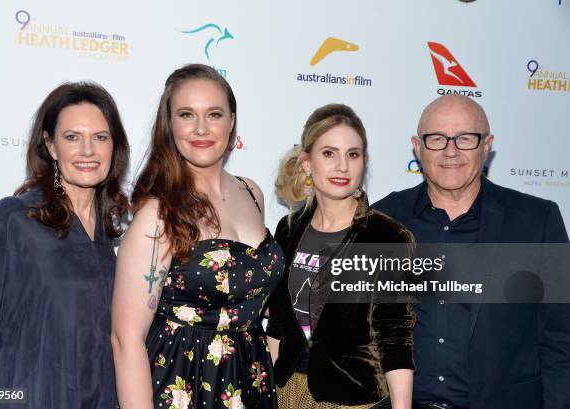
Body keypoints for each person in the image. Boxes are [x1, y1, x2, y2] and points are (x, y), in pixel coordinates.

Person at [372, 94, 570, 409]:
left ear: (486, 145)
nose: (451, 151)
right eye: (437, 139)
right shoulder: (382, 219)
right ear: (418, 146)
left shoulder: (537, 221)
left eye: (465, 138)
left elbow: (562, 337)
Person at [111, 64, 283, 408]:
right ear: (170, 124)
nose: (201, 128)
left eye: (214, 114)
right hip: (181, 382)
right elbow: (125, 339)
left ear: (232, 121)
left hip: (249, 379)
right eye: (187, 114)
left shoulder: (252, 193)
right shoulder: (158, 215)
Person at [0, 82, 130, 408]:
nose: (88, 150)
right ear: (51, 146)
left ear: (114, 146)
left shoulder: (111, 235)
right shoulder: (13, 220)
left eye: (100, 137)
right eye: (72, 137)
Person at [267, 103, 415, 409]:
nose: (343, 166)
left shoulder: (387, 237)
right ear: (307, 163)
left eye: (353, 154)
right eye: (329, 153)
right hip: (286, 394)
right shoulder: (289, 229)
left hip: (351, 400)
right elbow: (278, 326)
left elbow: (395, 336)